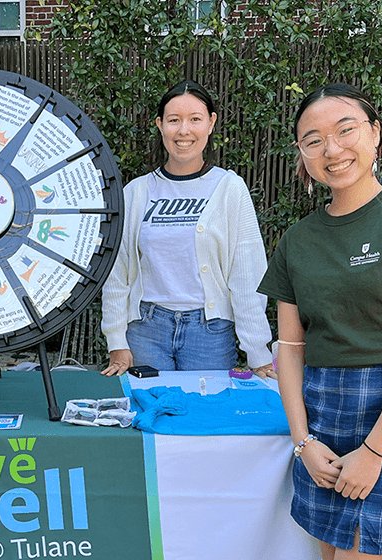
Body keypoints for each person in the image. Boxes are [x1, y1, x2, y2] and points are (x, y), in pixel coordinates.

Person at [258, 83, 382, 560]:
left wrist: (375, 450)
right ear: (301, 154)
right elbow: (291, 349)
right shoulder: (296, 240)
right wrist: (303, 442)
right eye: (312, 139)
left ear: (375, 135)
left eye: (345, 131)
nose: (332, 150)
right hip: (325, 421)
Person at [101, 80, 274, 378]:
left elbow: (247, 273)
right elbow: (118, 273)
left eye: (195, 119)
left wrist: (258, 351)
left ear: (211, 123)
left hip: (209, 335)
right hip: (145, 331)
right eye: (174, 120)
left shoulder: (229, 188)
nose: (184, 131)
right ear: (160, 125)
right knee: (150, 419)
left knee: (207, 420)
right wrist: (116, 340)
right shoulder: (136, 192)